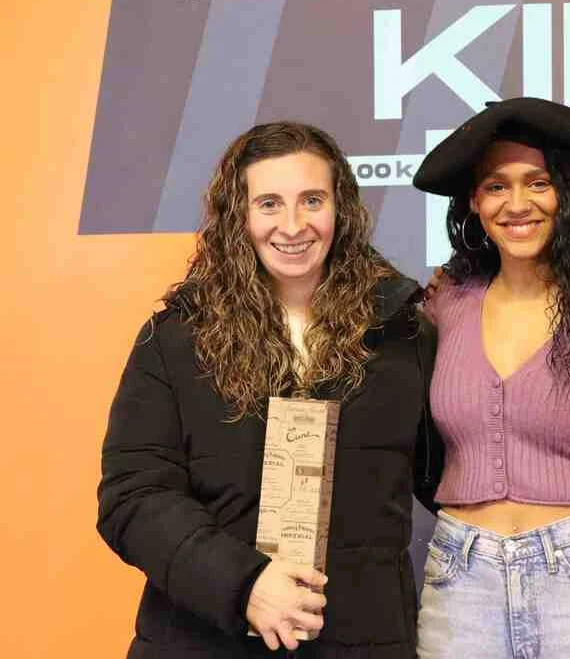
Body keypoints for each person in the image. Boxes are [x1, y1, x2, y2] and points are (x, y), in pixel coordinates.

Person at [97, 122, 444, 658]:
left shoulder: (403, 335)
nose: (293, 225)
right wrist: (244, 585)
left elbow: (458, 474)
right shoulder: (176, 338)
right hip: (203, 641)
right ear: (239, 215)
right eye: (269, 204)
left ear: (341, 209)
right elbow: (132, 497)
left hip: (360, 642)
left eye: (312, 200)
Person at [411, 97, 570, 658]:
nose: (517, 204)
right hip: (460, 584)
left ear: (569, 193)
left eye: (538, 183)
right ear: (474, 201)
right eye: (496, 186)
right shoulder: (446, 301)